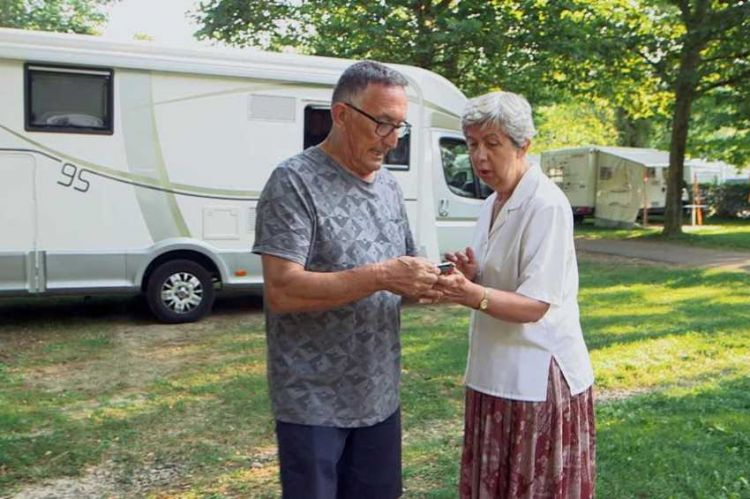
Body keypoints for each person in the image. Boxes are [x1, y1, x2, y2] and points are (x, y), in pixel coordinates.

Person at [252, 60, 441, 499]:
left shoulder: (388, 186)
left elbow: (403, 269)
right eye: (382, 124)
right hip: (313, 402)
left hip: (378, 396)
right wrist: (381, 275)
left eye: (399, 127)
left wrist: (438, 280)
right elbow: (282, 289)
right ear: (340, 114)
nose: (392, 140)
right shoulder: (294, 181)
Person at [436, 91, 596, 498]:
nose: (480, 156)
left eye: (493, 143)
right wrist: (474, 274)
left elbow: (536, 304)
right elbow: (504, 281)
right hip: (493, 369)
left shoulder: (546, 205)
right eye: (472, 144)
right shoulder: (490, 204)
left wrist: (471, 293)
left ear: (523, 144)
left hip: (535, 377)